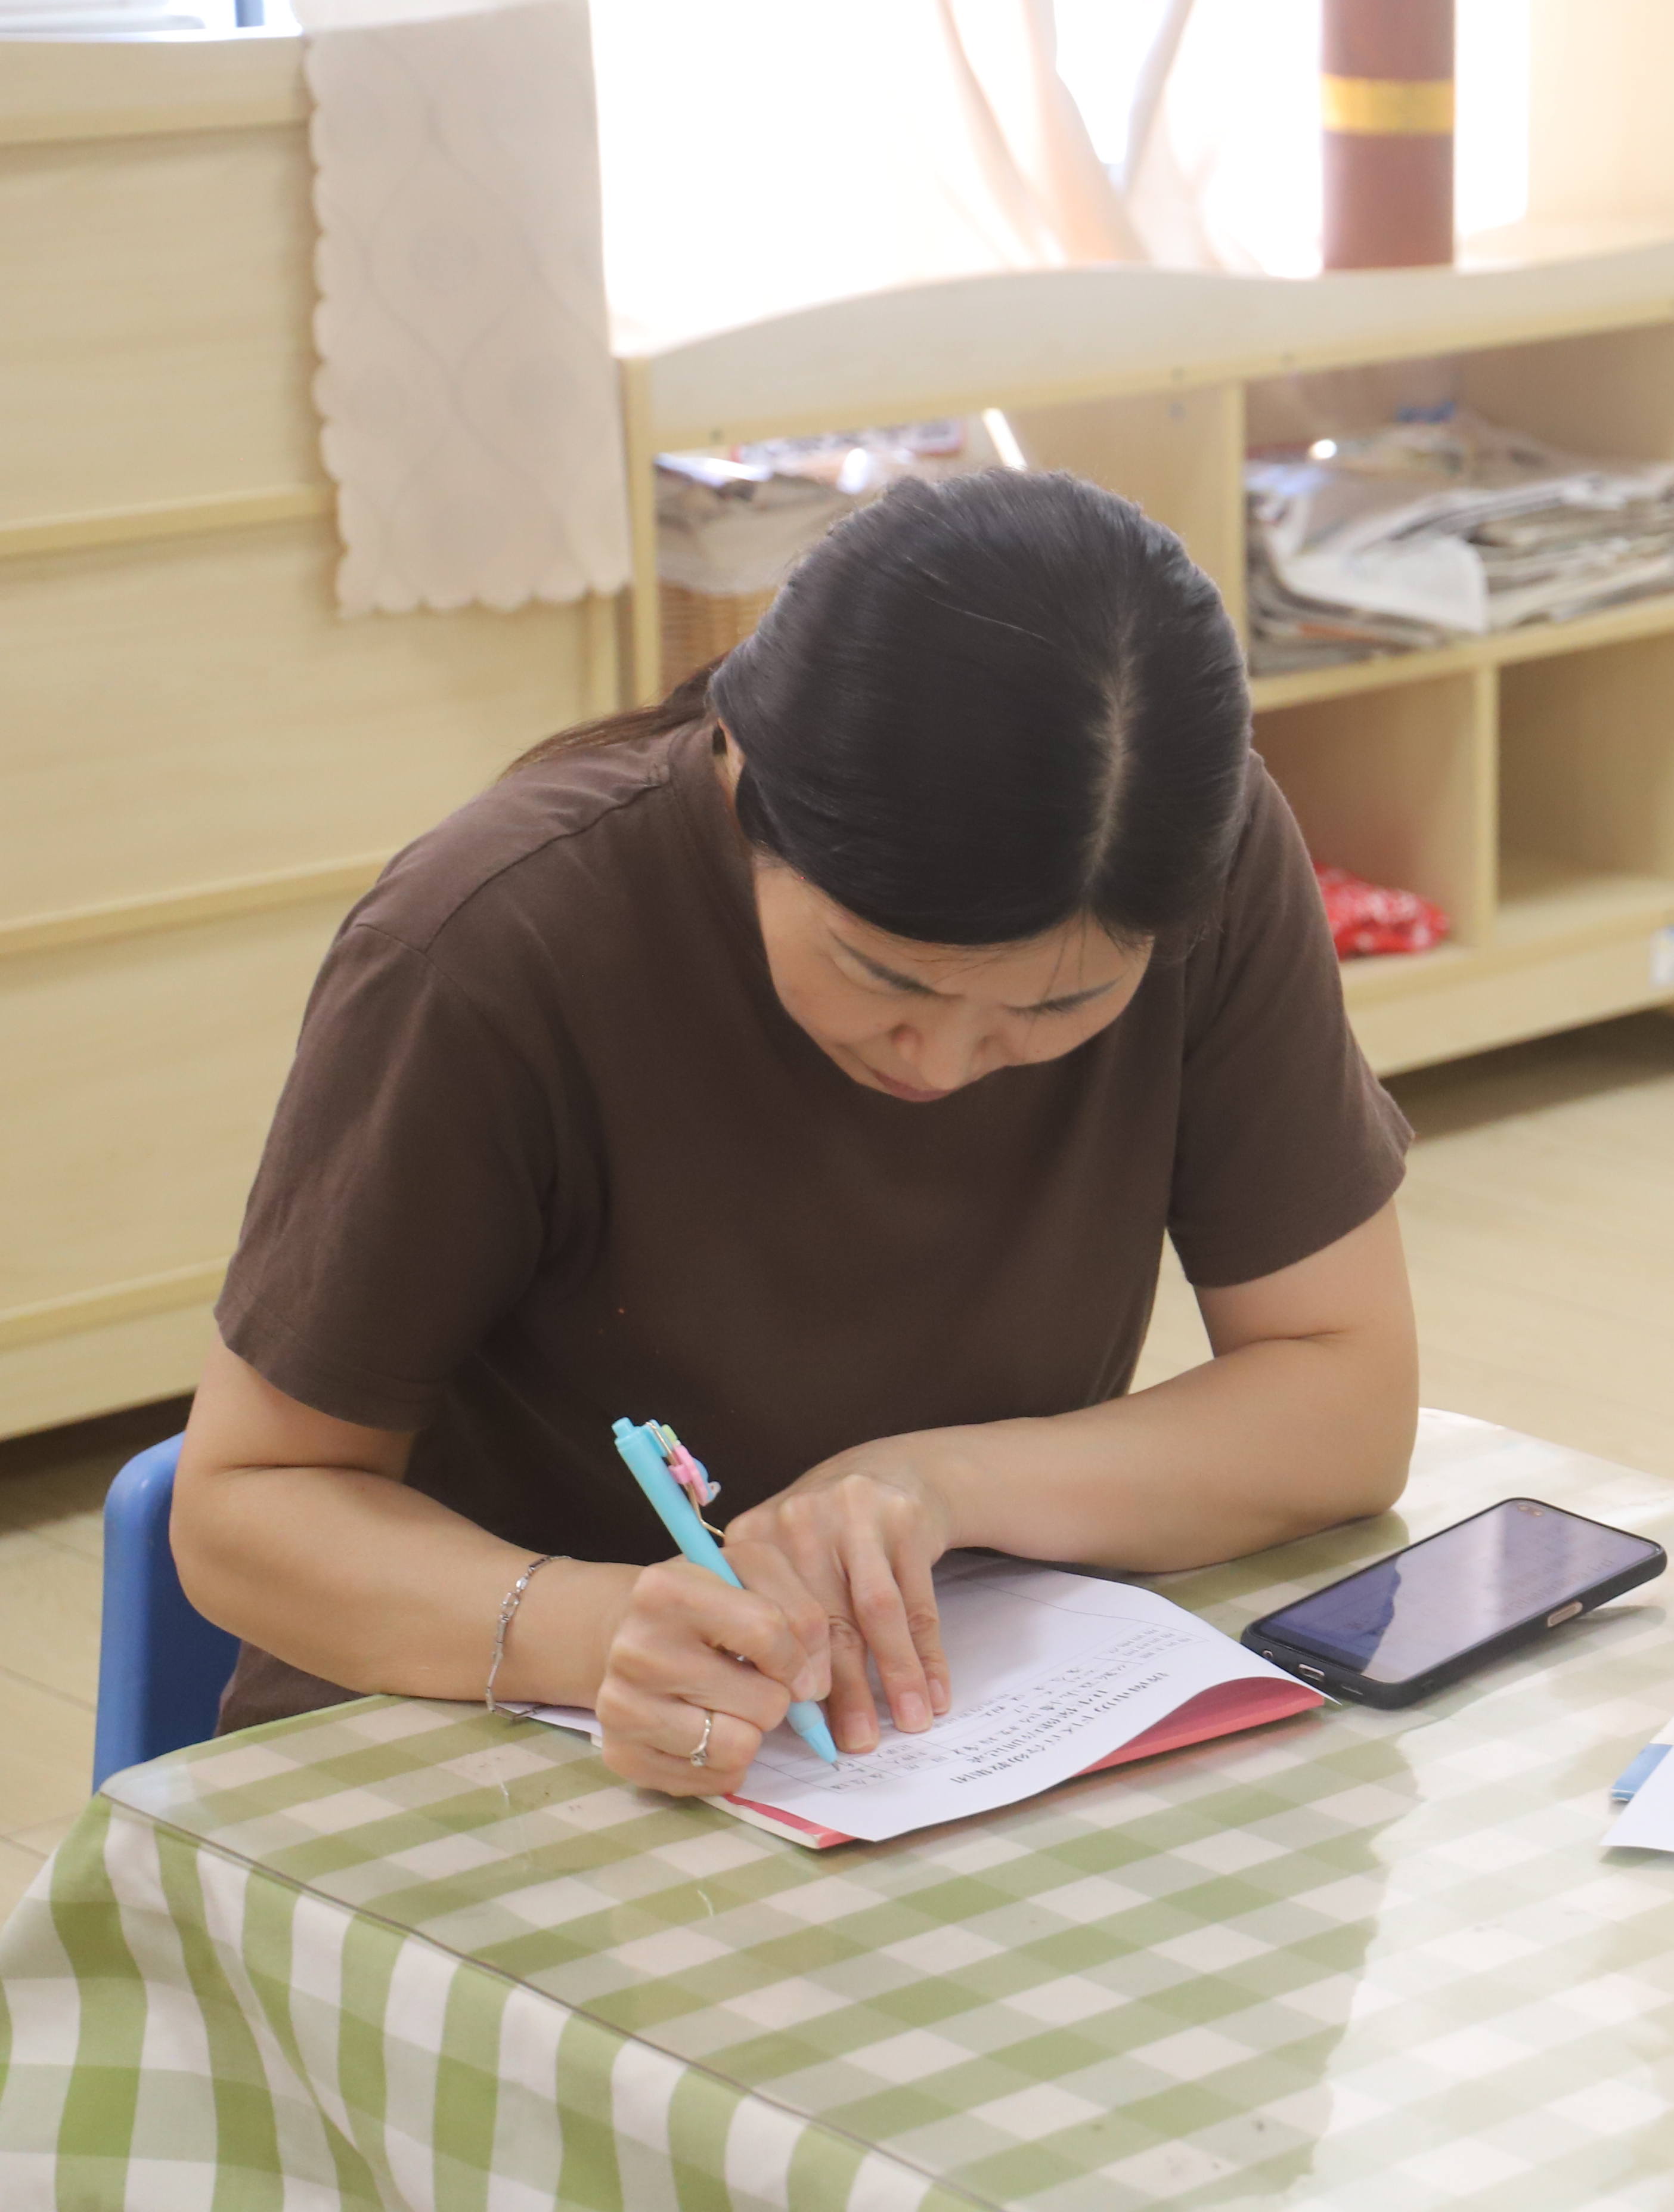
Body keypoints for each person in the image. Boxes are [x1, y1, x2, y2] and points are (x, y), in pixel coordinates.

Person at [173, 470, 1419, 1798]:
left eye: (1060, 1004)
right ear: (749, 776)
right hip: (465, 1743)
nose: (942, 1060)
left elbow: (1340, 1397)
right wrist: (601, 1631)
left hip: (905, 1743)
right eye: (886, 976)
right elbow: (245, 1508)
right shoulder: (489, 948)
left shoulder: (1199, 867)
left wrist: (935, 1484)